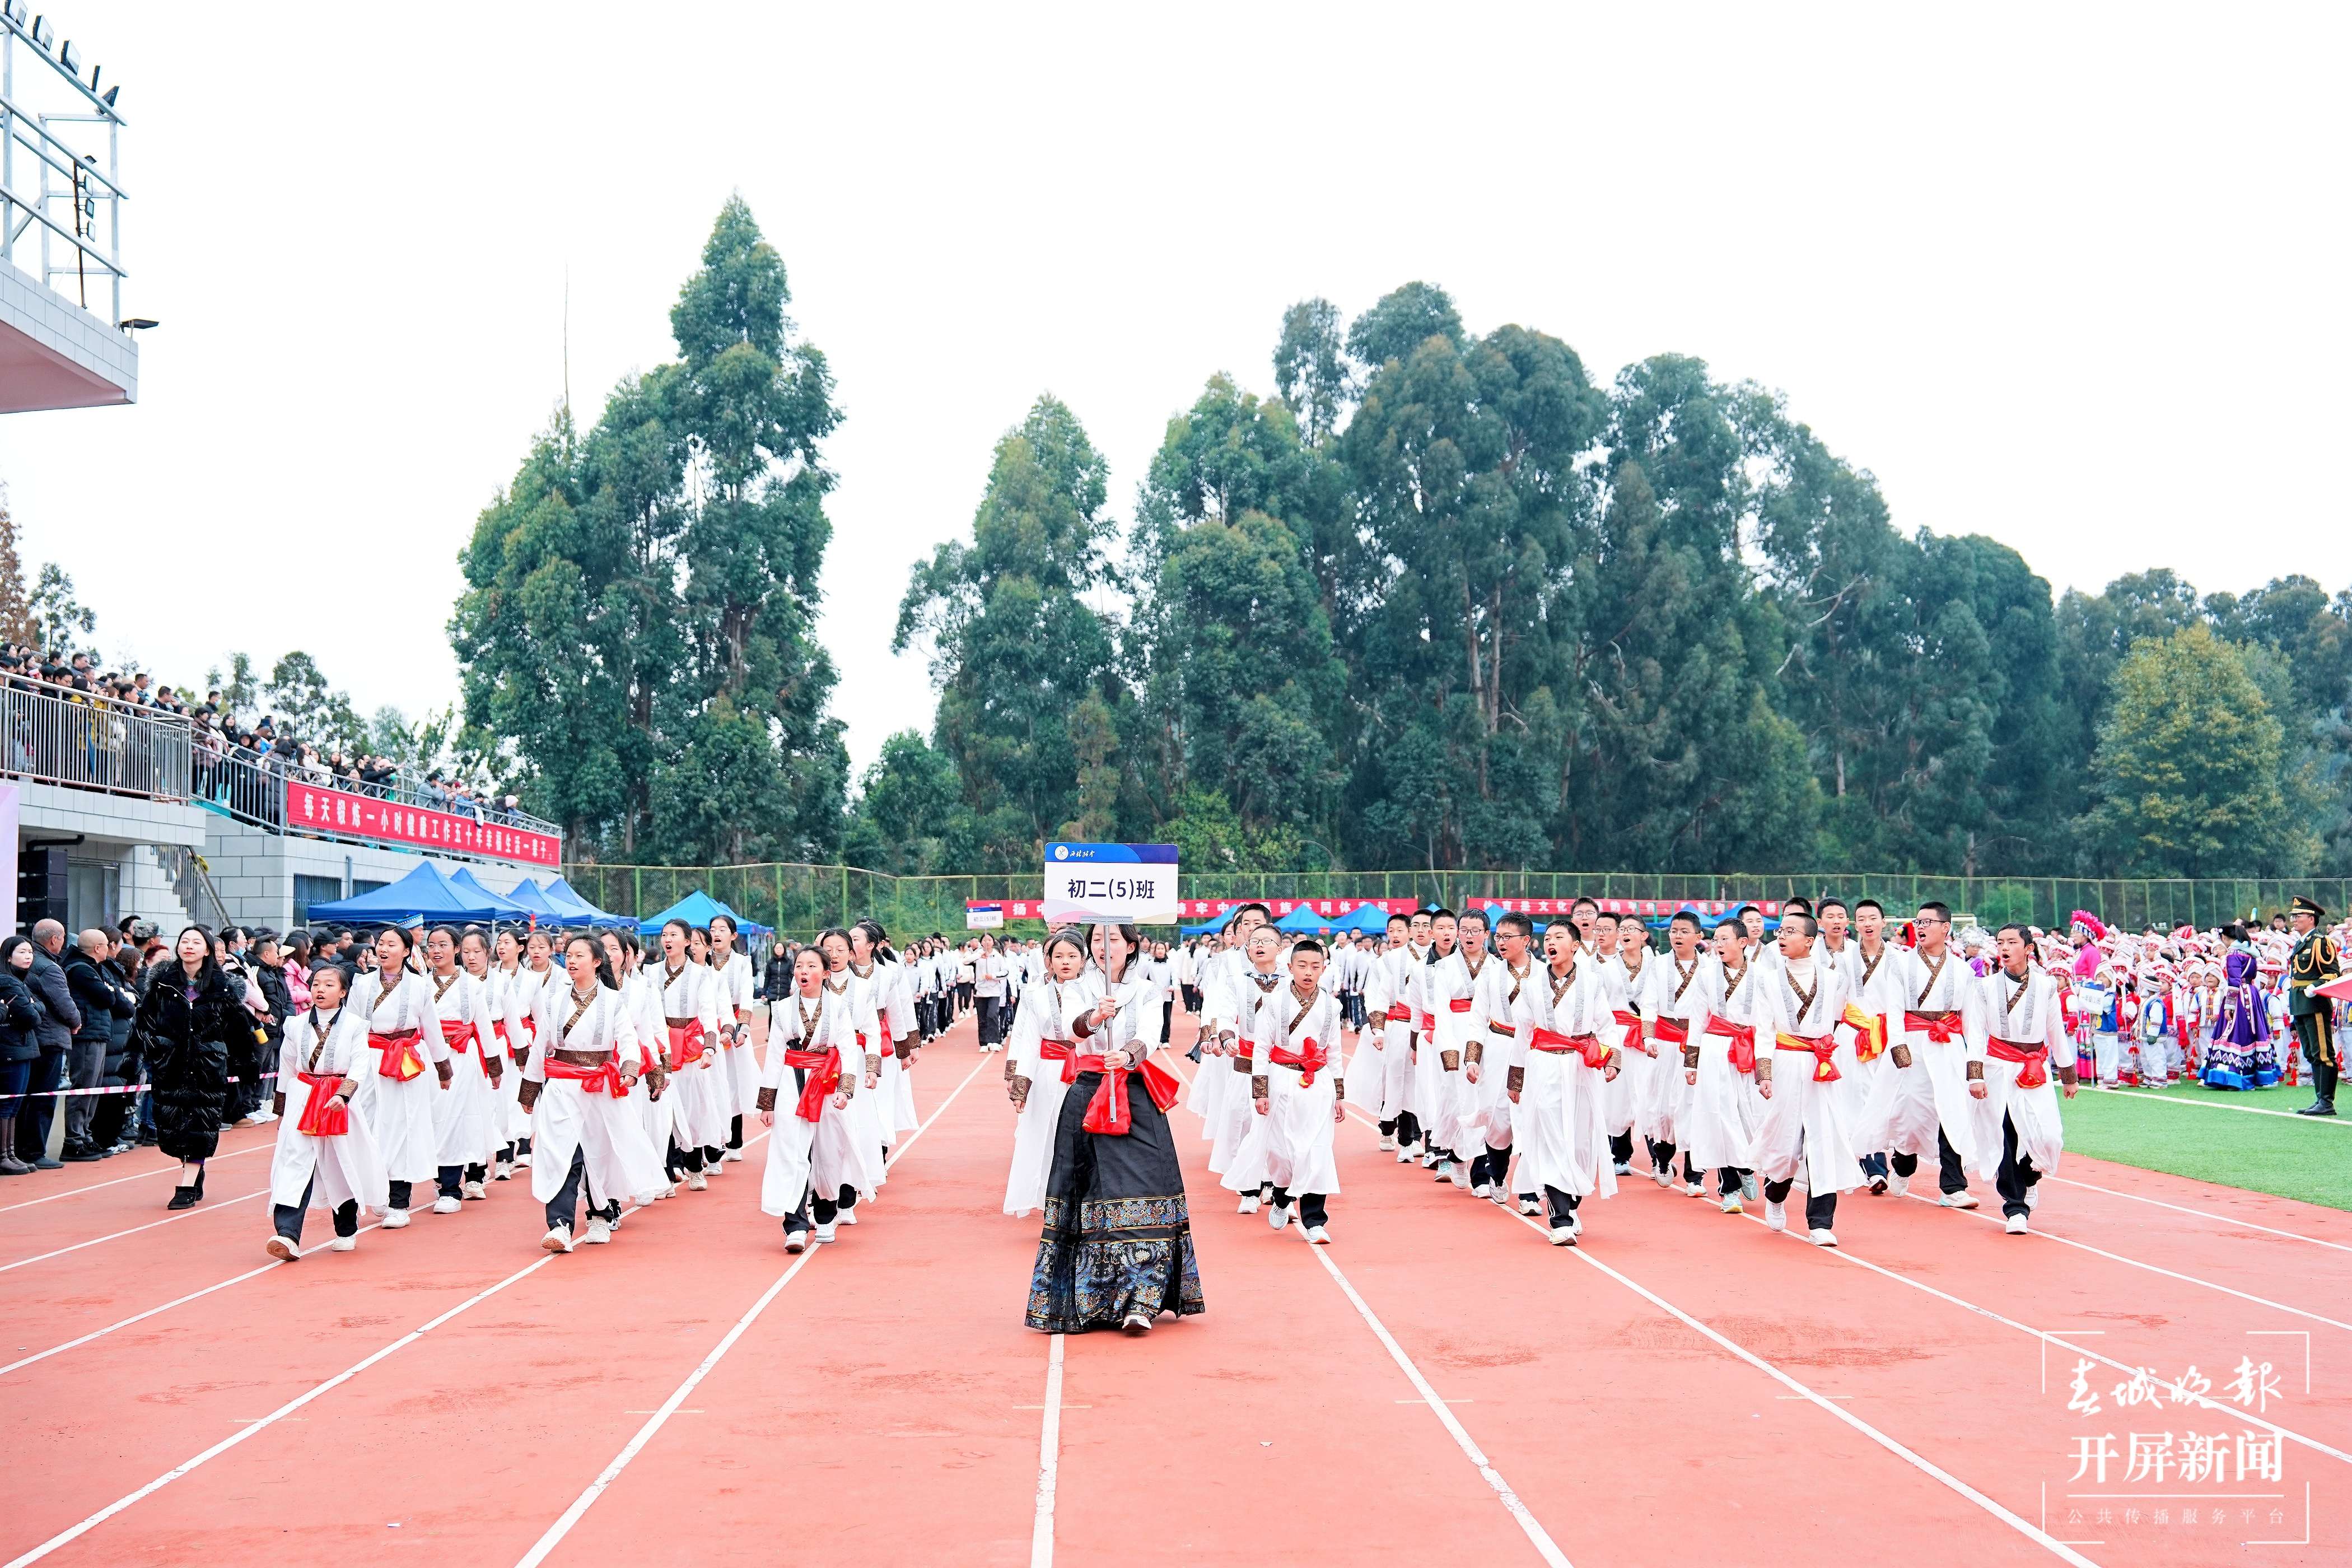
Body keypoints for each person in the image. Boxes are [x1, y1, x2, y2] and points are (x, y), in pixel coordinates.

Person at [1025, 921, 1200, 1334]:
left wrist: (1128, 1054)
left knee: (1144, 1188)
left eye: (1114, 940)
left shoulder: (1148, 989)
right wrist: (1093, 1017)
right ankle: (1092, 1298)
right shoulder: (1076, 989)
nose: (1105, 948)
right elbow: (1071, 1030)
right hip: (1086, 1094)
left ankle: (1144, 1298)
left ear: (1132, 945)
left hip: (1135, 1094)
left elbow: (1150, 1035)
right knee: (1088, 1193)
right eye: (1097, 940)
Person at [520, 935, 666, 1252]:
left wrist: (629, 1070)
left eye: (579, 956)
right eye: (569, 955)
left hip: (599, 1086)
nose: (571, 961)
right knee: (561, 1152)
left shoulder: (613, 1001)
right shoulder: (554, 999)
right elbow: (540, 1046)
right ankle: (559, 1226)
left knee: (599, 1153)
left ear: (597, 962)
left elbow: (628, 1040)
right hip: (560, 1086)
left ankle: (601, 1214)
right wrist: (529, 1092)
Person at [1748, 912, 1862, 1247]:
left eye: (1790, 931)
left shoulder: (1834, 979)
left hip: (1822, 1066)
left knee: (1824, 1140)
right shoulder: (1767, 980)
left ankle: (1821, 1222)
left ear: (1810, 941)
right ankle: (1776, 1190)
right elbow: (1764, 1031)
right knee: (1786, 1142)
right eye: (1781, 931)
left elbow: (1843, 1016)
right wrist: (1764, 1073)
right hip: (1785, 1062)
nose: (1781, 936)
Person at [263, 963, 389, 1258]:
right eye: (317, 983)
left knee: (339, 1163)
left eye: (330, 985)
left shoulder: (357, 1026)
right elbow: (287, 1068)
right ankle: (287, 1235)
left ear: (344, 992)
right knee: (295, 1162)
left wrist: (343, 1096)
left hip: (337, 1101)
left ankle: (346, 1228)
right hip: (303, 1096)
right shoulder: (295, 1025)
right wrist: (282, 1111)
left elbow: (359, 1066)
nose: (321, 989)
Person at [1506, 917, 1618, 1245]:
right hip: (1544, 1066)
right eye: (1548, 937)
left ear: (1575, 945)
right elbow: (1522, 1035)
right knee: (1552, 1138)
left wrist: (1612, 1059)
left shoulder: (1593, 983)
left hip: (1582, 1067)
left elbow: (1607, 1025)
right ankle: (1561, 1219)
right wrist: (1516, 1079)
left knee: (1581, 1145)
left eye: (1559, 937)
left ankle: (1572, 1203)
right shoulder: (1531, 986)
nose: (1551, 942)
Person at [1965, 923, 2079, 1234]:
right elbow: (1975, 1032)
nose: (2004, 948)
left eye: (2012, 942)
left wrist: (2068, 1075)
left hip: (2033, 1068)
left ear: (2028, 948)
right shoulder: (1985, 987)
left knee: (2049, 1135)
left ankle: (2031, 1175)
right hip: (1997, 1066)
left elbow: (2056, 1031)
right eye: (2000, 942)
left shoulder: (2046, 986)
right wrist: (1975, 1076)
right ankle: (2016, 1208)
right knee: (2006, 1136)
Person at [759, 944, 875, 1249]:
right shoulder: (782, 1008)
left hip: (826, 1083)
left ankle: (825, 1217)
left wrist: (845, 1090)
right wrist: (767, 1103)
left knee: (827, 1150)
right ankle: (795, 1226)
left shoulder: (837, 1007)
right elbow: (774, 1055)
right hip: (791, 1084)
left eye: (811, 967)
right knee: (791, 1152)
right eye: (799, 966)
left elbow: (848, 1049)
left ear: (825, 973)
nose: (803, 972)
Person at [1230, 937, 1344, 1242]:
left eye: (1316, 966)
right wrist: (1260, 1091)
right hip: (1281, 1080)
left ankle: (1315, 1220)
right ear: (1290, 967)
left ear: (1324, 969)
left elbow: (1333, 1052)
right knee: (1281, 1153)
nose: (1308, 972)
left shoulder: (1333, 1006)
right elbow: (1262, 1049)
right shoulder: (1275, 1002)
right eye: (1302, 965)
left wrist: (1340, 1095)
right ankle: (1281, 1198)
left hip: (1317, 1084)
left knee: (1316, 1151)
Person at [350, 927, 455, 1229]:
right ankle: (377, 1189)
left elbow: (432, 1028)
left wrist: (443, 1069)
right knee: (369, 1125)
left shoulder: (420, 985)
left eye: (391, 945)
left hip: (405, 1060)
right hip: (370, 1059)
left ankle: (399, 1201)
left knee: (404, 1127)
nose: (383, 949)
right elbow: (354, 1026)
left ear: (407, 951)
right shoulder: (362, 983)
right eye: (380, 943)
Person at [131, 926, 242, 1210]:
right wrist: (140, 1055)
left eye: (197, 942)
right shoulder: (162, 984)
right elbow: (143, 1021)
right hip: (171, 1066)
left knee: (201, 1125)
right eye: (184, 941)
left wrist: (245, 1062)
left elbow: (238, 1028)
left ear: (207, 950)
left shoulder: (224, 986)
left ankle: (186, 1185)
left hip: (208, 1068)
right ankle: (194, 1167)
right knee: (174, 1129)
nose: (189, 946)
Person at [1005, 928, 1095, 1218]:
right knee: (1046, 1136)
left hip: (1084, 1075)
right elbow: (1029, 1042)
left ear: (1084, 959)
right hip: (1046, 1075)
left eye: (1072, 955)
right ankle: (1050, 1201)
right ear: (1049, 961)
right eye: (1058, 956)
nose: (1065, 961)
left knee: (1082, 1137)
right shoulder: (1036, 997)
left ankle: (1086, 1201)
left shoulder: (1096, 993)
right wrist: (1020, 1089)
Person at [60, 929, 133, 1162]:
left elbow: (112, 996)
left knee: (93, 1089)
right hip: (88, 1034)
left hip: (97, 1032)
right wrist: (112, 991)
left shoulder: (91, 968)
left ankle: (85, 1136)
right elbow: (108, 997)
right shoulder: (81, 969)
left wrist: (111, 991)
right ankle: (74, 1140)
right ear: (99, 948)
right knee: (84, 1087)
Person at [15, 918, 81, 1169]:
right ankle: (34, 1151)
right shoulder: (49, 968)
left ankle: (21, 1149)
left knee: (26, 1098)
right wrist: (76, 1022)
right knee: (42, 1098)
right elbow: (65, 1004)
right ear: (55, 939)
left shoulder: (30, 964)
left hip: (31, 1039)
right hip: (49, 1039)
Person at [2286, 895, 2341, 1116]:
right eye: (2293, 916)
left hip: (2315, 1002)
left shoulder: (2321, 941)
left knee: (2323, 1053)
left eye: (2297, 916)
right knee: (2310, 1053)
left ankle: (2326, 1102)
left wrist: (2315, 986)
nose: (2293, 920)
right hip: (2300, 1003)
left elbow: (2333, 973)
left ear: (2311, 918)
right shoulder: (2302, 943)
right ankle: (2320, 1099)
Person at [0, 939, 48, 1177]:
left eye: (30, 952)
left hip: (22, 1048)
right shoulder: (8, 982)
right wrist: (32, 1007)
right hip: (12, 1049)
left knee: (15, 1104)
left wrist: (33, 1005)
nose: (29, 956)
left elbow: (39, 1008)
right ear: (8, 957)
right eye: (22, 952)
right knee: (8, 1104)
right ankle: (4, 1156)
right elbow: (31, 1017)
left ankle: (10, 1154)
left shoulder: (23, 982)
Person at [2202, 948, 2282, 1090]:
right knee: (2251, 1033)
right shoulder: (2250, 953)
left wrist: (2229, 1005)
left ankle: (2233, 1076)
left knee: (2234, 1033)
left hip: (2239, 996)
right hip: (2251, 994)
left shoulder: (2234, 954)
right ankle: (2253, 1075)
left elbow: (2234, 981)